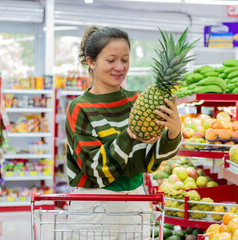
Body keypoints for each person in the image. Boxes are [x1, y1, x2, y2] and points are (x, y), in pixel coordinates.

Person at [65, 25, 182, 239]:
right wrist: (129, 135)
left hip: (136, 203)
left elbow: (150, 161)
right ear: (91, 62)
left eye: (125, 60)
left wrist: (173, 134)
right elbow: (95, 168)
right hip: (94, 207)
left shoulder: (138, 101)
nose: (119, 67)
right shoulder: (80, 108)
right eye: (111, 60)